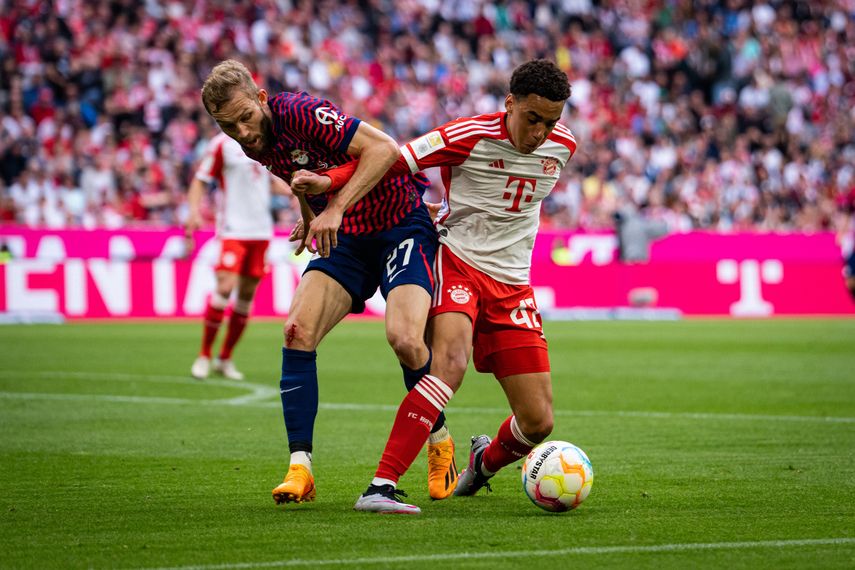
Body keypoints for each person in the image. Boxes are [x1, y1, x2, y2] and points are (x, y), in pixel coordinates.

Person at [295, 59, 576, 513]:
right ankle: (380, 486)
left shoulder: (565, 146)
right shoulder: (468, 134)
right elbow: (388, 157)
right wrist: (329, 186)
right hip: (458, 263)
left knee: (538, 421)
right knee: (449, 362)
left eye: (552, 121)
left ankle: (480, 465)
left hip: (514, 284)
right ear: (510, 104)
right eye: (533, 118)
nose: (542, 131)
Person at [199, 60, 457, 505]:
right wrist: (313, 216)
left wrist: (334, 208)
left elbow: (385, 150)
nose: (240, 131)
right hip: (347, 238)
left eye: (244, 117)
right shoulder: (252, 141)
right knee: (296, 331)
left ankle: (439, 441)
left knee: (405, 340)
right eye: (228, 125)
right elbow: (299, 179)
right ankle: (301, 468)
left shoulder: (300, 111)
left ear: (262, 98)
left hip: (401, 225)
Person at [186, 131, 291, 381]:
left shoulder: (266, 139)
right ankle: (203, 355)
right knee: (225, 286)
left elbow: (266, 181)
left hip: (261, 231)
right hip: (233, 229)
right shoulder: (222, 144)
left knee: (245, 298)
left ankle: (225, 358)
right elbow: (200, 180)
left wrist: (291, 189)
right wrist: (193, 211)